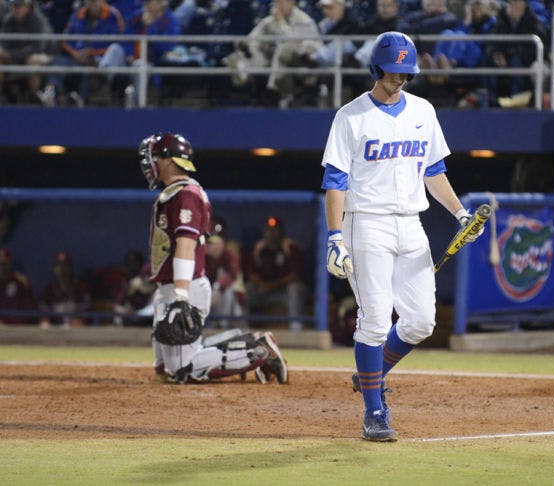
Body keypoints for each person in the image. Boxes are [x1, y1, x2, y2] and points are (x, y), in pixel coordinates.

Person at [320, 31, 483, 441]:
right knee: (374, 320)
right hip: (366, 223)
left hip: (412, 223)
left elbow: (433, 173)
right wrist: (335, 236)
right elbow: (335, 182)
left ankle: (371, 374)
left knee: (421, 322)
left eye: (406, 73)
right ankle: (375, 410)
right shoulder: (351, 116)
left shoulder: (423, 111)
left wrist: (461, 213)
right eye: (393, 72)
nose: (399, 79)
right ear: (377, 68)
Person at [138, 132, 289, 384]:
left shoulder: (186, 194)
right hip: (170, 287)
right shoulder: (175, 193)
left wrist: (180, 295)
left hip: (183, 287)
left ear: (169, 160)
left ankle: (259, 352)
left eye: (154, 156)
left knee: (181, 370)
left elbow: (186, 245)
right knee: (164, 367)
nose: (149, 163)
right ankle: (246, 342)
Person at [37, 0, 126, 107]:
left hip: (101, 58)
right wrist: (76, 54)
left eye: (95, 1)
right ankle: (52, 94)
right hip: (78, 57)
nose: (93, 3)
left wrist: (91, 53)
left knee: (114, 50)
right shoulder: (78, 15)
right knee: (57, 62)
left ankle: (91, 89)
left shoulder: (113, 15)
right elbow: (65, 40)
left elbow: (118, 40)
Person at [246, 215, 306, 331]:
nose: (271, 233)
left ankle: (295, 324)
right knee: (248, 289)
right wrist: (262, 284)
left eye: (275, 230)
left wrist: (271, 286)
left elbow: (295, 276)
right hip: (264, 293)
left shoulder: (290, 247)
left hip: (284, 292)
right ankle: (246, 325)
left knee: (295, 288)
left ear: (281, 232)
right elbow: (251, 274)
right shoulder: (259, 249)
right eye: (268, 230)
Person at [0, 0, 55, 104]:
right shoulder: (9, 20)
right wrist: (5, 53)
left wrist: (12, 54)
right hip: (16, 57)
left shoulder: (37, 20)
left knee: (34, 60)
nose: (15, 9)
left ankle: (34, 99)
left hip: (42, 55)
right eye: (13, 6)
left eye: (18, 6)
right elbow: (4, 44)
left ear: (27, 7)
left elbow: (37, 47)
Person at [205, 216, 247, 329]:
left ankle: (223, 325)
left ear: (222, 243)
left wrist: (218, 287)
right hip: (209, 303)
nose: (208, 246)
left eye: (212, 242)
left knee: (227, 287)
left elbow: (232, 274)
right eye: (207, 242)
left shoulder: (230, 255)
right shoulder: (202, 257)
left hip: (234, 310)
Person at [39, 251, 91, 328]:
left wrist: (79, 321)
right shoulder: (50, 289)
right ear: (54, 268)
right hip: (55, 331)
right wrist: (45, 320)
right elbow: (44, 313)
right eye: (59, 265)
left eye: (65, 265)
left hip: (76, 331)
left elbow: (85, 313)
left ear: (70, 267)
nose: (62, 269)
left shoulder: (80, 287)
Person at [0, 247, 37, 324]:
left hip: (17, 328)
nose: (3, 267)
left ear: (10, 262)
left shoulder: (21, 282)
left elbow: (31, 310)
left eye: (5, 263)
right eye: (1, 263)